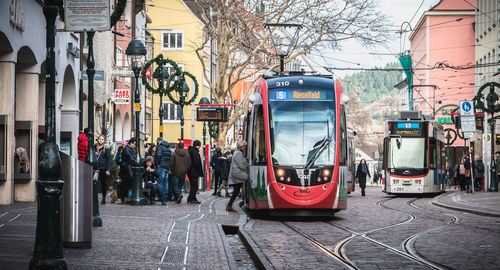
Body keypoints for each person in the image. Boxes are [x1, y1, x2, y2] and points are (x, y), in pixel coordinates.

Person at [226, 141, 249, 212]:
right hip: (238, 174)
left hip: (236, 174)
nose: (245, 148)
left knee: (236, 190)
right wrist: (247, 166)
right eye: (244, 146)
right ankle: (229, 206)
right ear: (241, 147)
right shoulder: (238, 153)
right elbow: (241, 165)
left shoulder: (236, 152)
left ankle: (229, 205)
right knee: (249, 178)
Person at [118, 138, 136, 204]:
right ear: (131, 143)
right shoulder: (127, 149)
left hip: (127, 169)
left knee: (126, 184)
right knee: (125, 184)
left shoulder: (129, 149)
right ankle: (123, 198)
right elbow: (131, 158)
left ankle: (124, 198)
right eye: (134, 144)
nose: (135, 145)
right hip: (126, 170)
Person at [155, 137, 171, 205]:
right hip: (167, 167)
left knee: (160, 181)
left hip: (161, 166)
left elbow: (158, 155)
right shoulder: (168, 148)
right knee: (166, 182)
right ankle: (165, 196)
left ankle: (161, 196)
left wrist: (157, 163)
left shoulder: (160, 147)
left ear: (158, 141)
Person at [95, 135, 111, 204]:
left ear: (104, 141)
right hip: (95, 168)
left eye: (102, 139)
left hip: (103, 168)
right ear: (97, 139)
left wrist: (108, 169)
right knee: (94, 182)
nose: (100, 140)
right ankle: (94, 197)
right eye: (100, 139)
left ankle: (104, 197)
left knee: (103, 183)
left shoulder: (105, 149)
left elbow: (108, 159)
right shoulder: (94, 147)